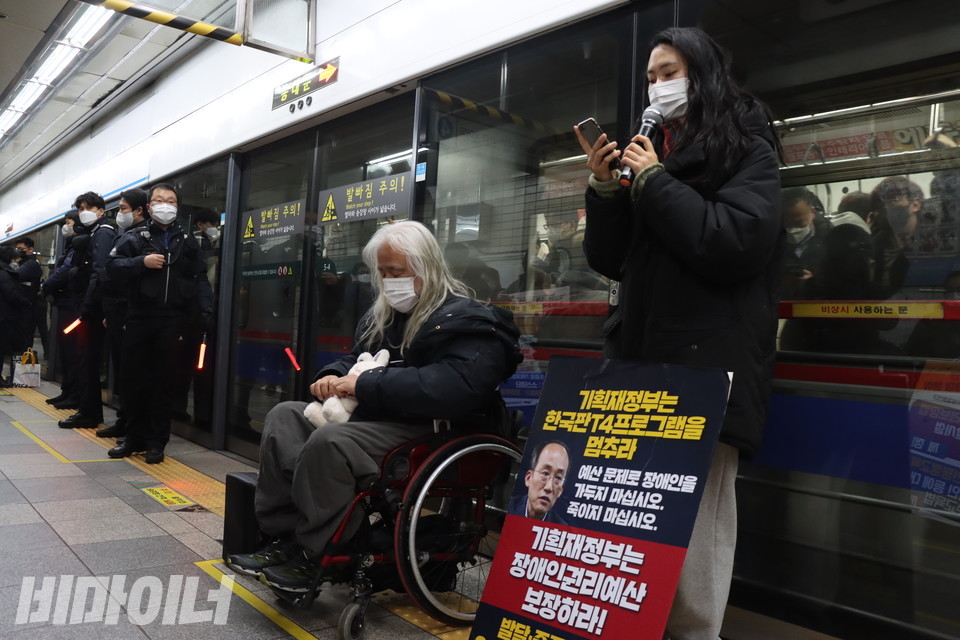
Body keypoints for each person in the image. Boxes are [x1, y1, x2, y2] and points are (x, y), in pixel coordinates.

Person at [574, 27, 784, 640]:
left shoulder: (747, 145)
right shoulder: (653, 150)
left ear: (702, 72)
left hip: (706, 367)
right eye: (650, 77)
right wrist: (606, 189)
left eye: (668, 72)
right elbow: (614, 261)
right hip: (641, 358)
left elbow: (734, 242)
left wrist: (654, 182)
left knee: (695, 529)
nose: (656, 86)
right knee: (638, 520)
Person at [225, 220, 523, 591]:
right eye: (381, 272)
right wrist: (334, 374)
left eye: (394, 271)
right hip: (379, 418)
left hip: (434, 428)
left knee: (330, 443)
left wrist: (365, 384)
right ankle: (285, 537)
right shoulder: (384, 315)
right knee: (284, 416)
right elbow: (358, 358)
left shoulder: (470, 321)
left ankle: (319, 553)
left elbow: (455, 387)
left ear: (425, 267)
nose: (386, 281)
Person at [105, 183, 213, 463]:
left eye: (171, 201)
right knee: (133, 380)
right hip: (139, 318)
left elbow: (200, 279)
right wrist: (141, 262)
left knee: (164, 383)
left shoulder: (188, 242)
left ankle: (156, 442)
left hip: (173, 321)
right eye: (159, 200)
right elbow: (112, 268)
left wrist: (205, 313)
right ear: (150, 207)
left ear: (177, 207)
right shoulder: (134, 237)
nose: (165, 205)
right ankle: (132, 437)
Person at [96, 188, 151, 439]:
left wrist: (127, 315)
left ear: (139, 210)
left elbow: (129, 278)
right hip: (118, 311)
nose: (119, 213)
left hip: (131, 313)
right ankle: (124, 418)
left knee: (132, 373)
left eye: (123, 208)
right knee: (121, 370)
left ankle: (133, 424)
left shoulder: (142, 238)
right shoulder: (126, 235)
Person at [58, 191, 116, 429]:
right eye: (80, 208)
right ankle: (87, 410)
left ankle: (89, 413)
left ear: (101, 210)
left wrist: (87, 306)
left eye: (88, 207)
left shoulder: (103, 233)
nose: (84, 212)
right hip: (90, 305)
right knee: (85, 359)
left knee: (87, 360)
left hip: (92, 308)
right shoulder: (94, 233)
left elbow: (99, 271)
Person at [40, 211, 87, 409]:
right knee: (66, 352)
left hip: (72, 306)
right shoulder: (71, 247)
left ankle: (74, 394)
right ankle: (67, 391)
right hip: (65, 303)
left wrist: (46, 285)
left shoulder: (79, 247)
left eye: (68, 222)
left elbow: (63, 272)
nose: (65, 227)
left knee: (72, 351)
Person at [781, 187, 832, 299]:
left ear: (813, 212)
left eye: (799, 222)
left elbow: (842, 282)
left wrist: (813, 283)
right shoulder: (773, 243)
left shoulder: (832, 239)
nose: (793, 229)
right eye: (787, 223)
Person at [508, 440, 569, 523]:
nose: (549, 487)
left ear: (560, 491)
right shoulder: (508, 510)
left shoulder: (561, 530)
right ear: (528, 478)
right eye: (545, 473)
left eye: (558, 478)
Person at [1, 245, 32, 387]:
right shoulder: (4, 273)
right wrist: (26, 303)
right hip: (4, 316)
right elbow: (11, 295)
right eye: (14, 258)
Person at [14, 237, 42, 355]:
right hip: (20, 309)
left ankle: (22, 371)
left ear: (30, 250)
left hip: (27, 309)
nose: (19, 251)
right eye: (17, 248)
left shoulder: (31, 265)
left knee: (23, 343)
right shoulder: (21, 262)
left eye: (22, 249)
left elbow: (15, 276)